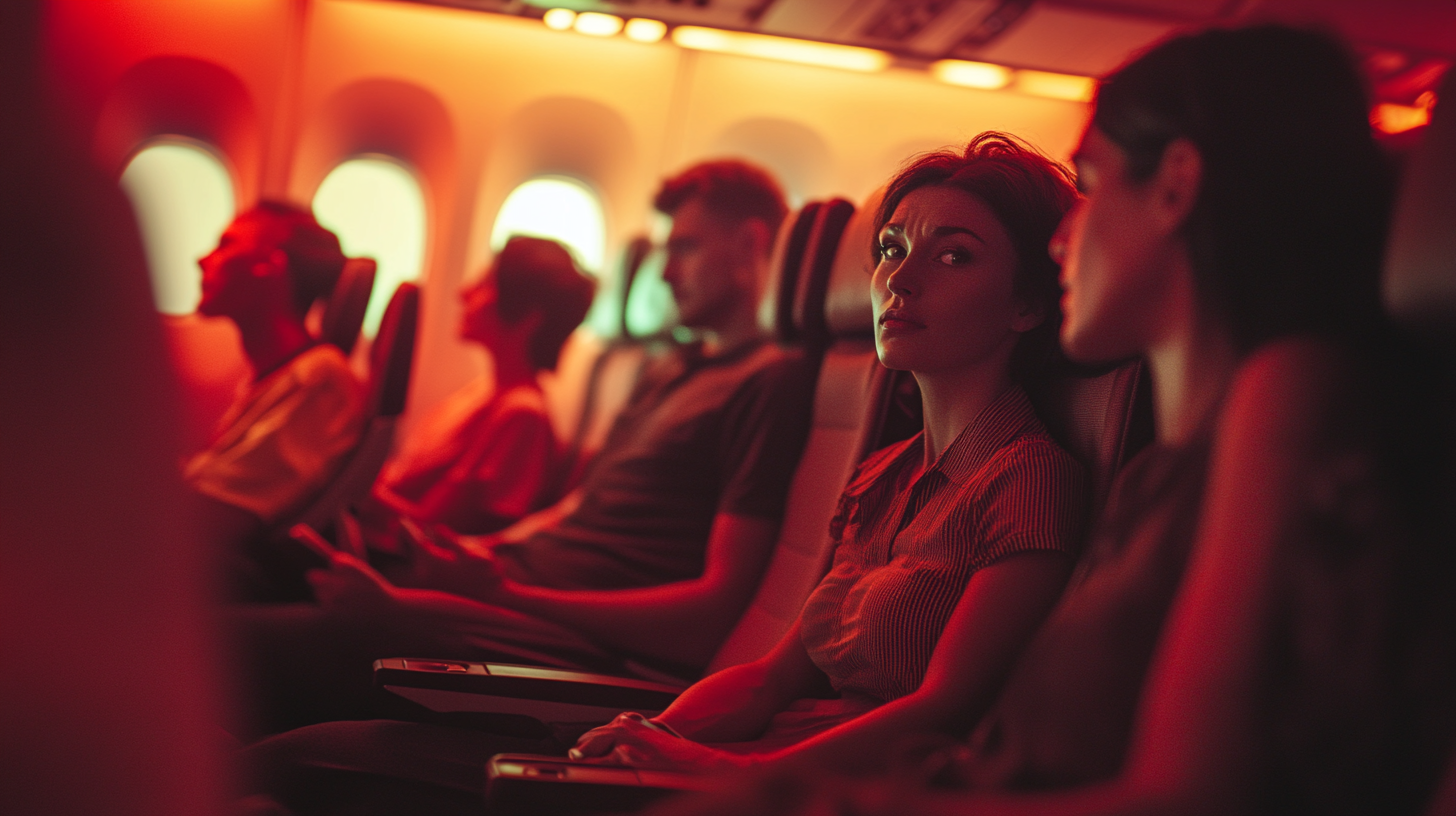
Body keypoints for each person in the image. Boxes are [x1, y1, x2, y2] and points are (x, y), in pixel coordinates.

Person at [653, 24, 1456, 816]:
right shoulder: (1160, 472)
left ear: (1177, 185)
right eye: (891, 253)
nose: (1065, 238)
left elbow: (1182, 795)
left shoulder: (1282, 396)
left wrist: (806, 799)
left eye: (1094, 184)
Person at [237, 131, 1090, 816]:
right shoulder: (887, 471)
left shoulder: (1029, 481)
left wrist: (713, 770)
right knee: (288, 752)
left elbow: (943, 712)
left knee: (298, 763)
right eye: (892, 248)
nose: (898, 279)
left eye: (953, 256)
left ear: (1025, 303)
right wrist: (640, 731)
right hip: (729, 755)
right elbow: (769, 675)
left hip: (797, 790)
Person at [231, 159, 816, 733]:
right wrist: (474, 553)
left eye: (684, 248)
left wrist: (480, 595)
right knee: (252, 575)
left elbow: (707, 617)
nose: (663, 274)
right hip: (512, 595)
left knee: (221, 649)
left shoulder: (769, 384)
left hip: (564, 642)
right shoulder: (669, 369)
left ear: (749, 244)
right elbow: (576, 508)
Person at [184, 201, 365, 599]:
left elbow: (216, 519)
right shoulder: (275, 376)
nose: (202, 260)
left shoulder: (317, 379)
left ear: (271, 266)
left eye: (226, 245)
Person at [360, 235, 594, 538]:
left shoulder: (522, 416)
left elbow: (435, 532)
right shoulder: (484, 389)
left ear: (529, 318)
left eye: (485, 286)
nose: (464, 292)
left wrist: (355, 484)